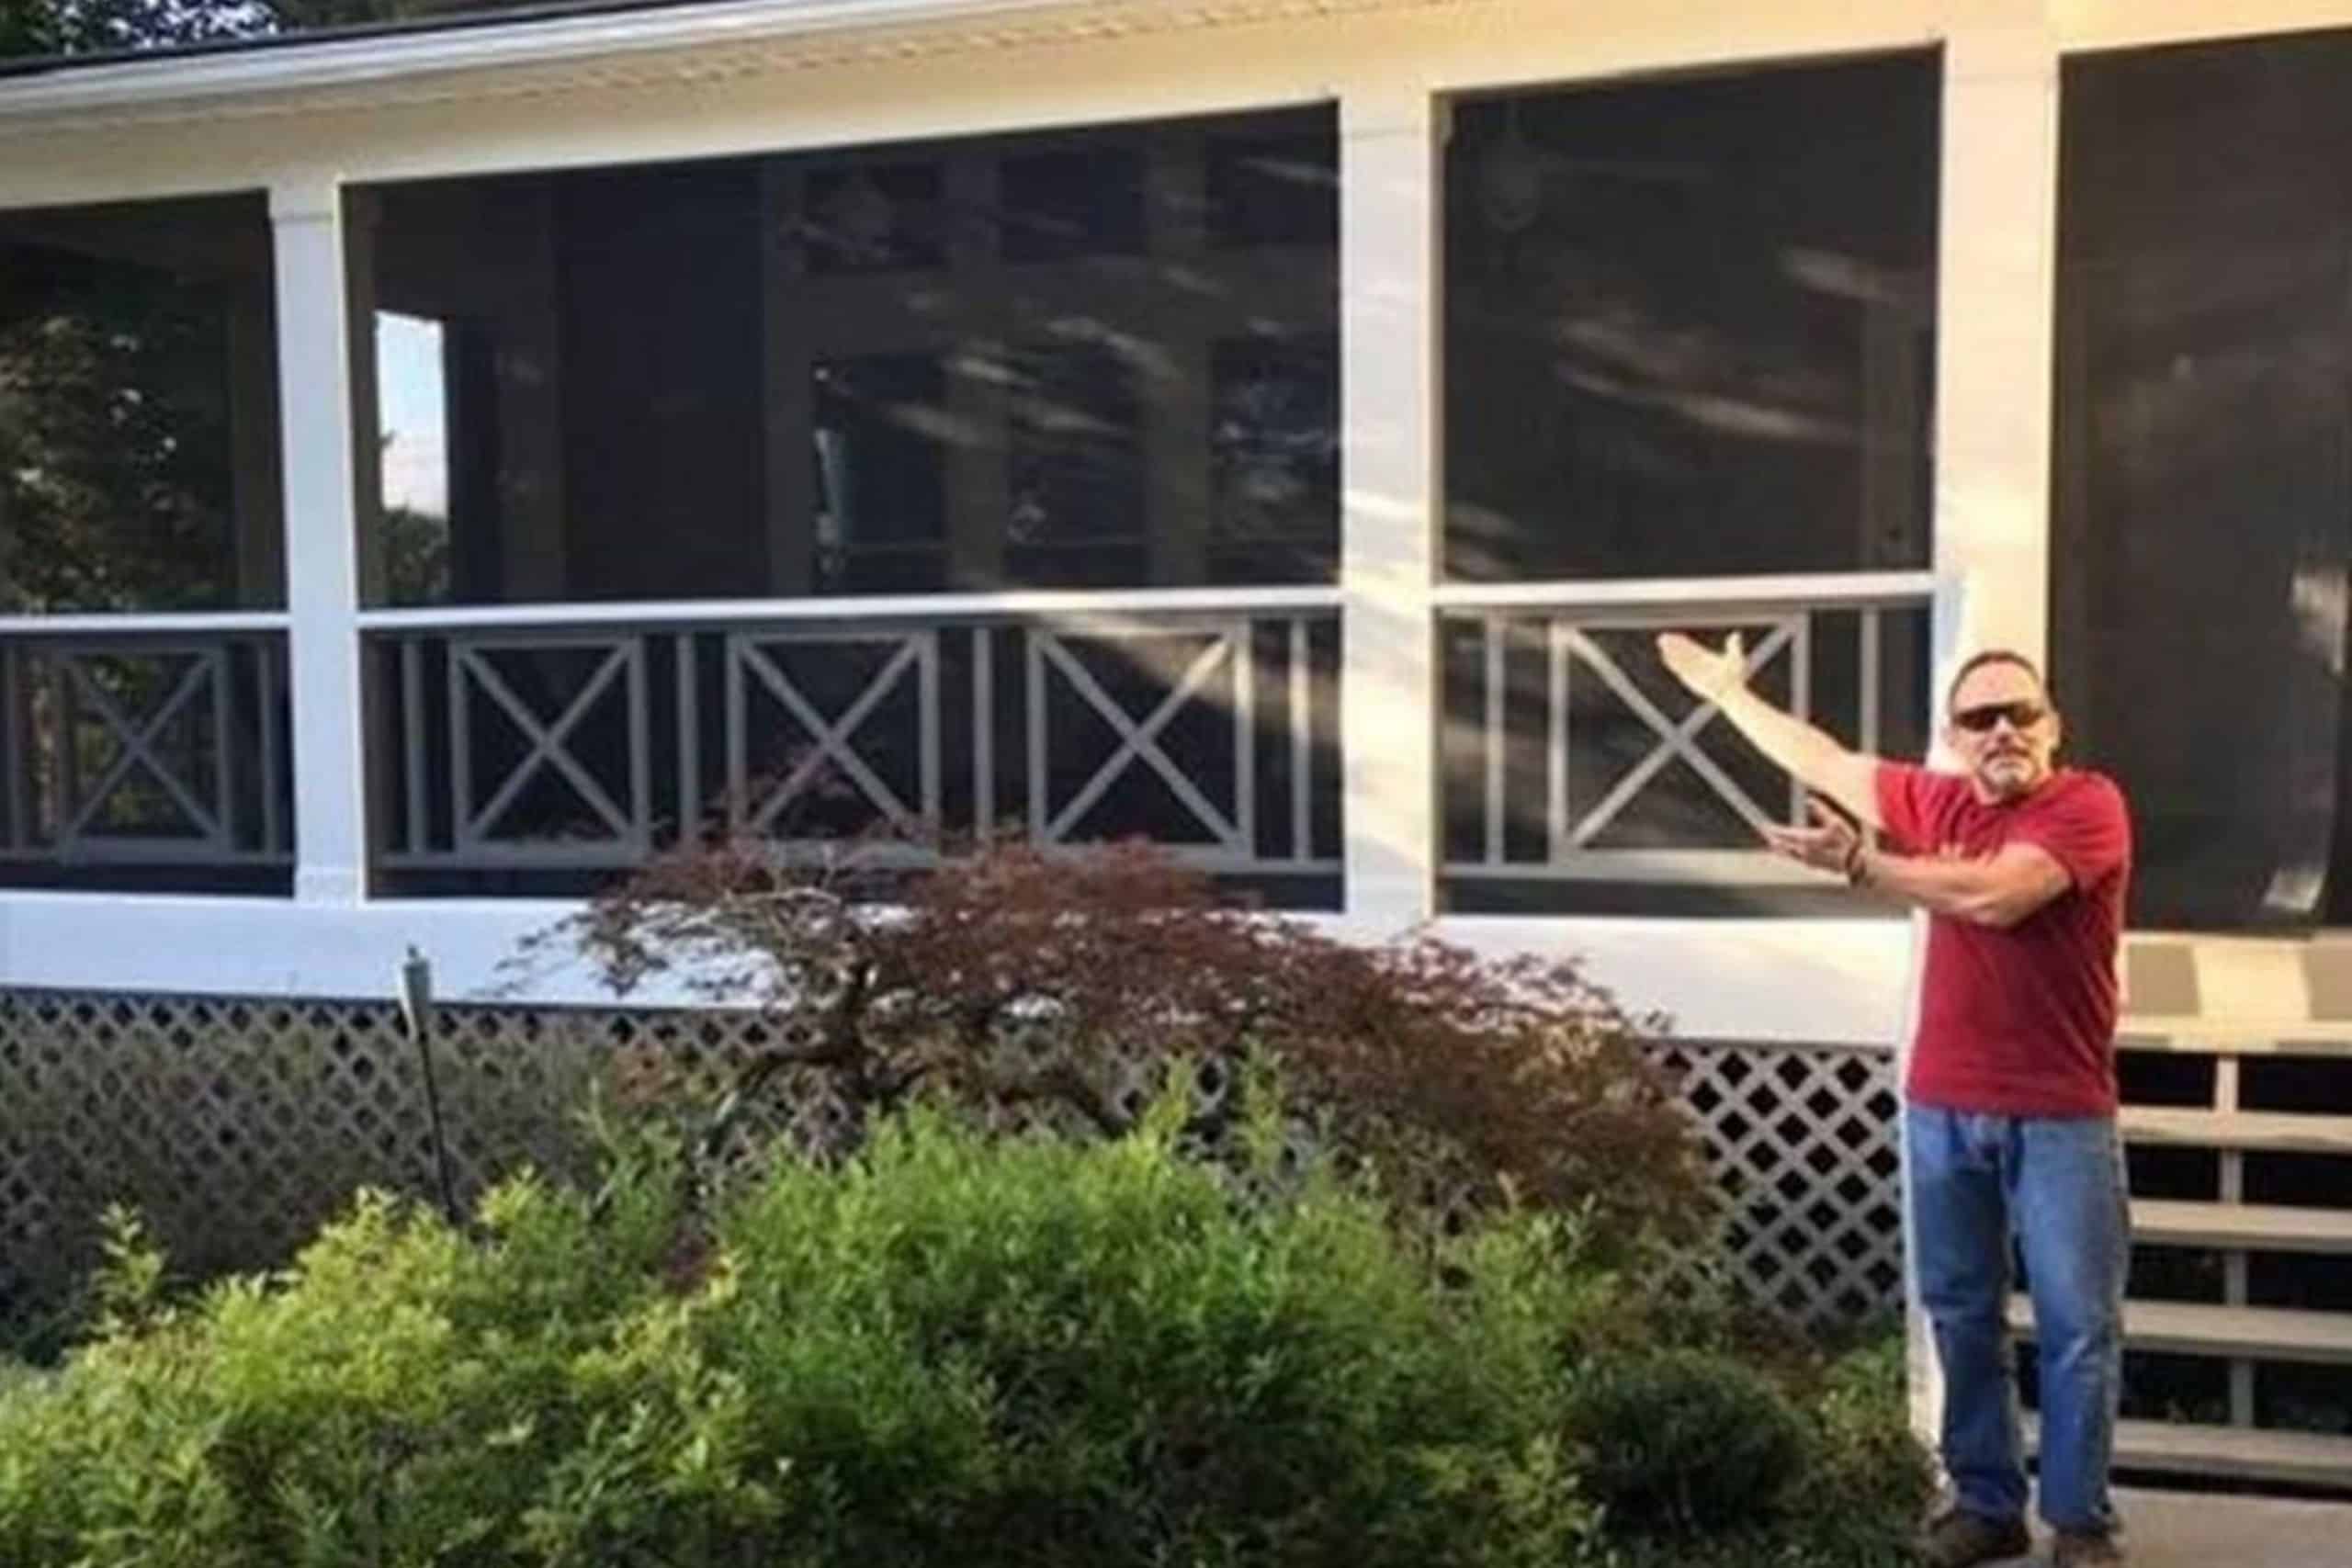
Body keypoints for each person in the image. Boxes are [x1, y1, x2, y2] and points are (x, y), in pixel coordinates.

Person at [1657, 633, 2132, 1568]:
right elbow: (1822, 759)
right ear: (1953, 738)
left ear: (2051, 726)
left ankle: (2078, 1523)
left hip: (2061, 1112)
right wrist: (1727, 697)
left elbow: (1998, 897)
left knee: (2077, 1325)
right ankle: (1987, 1504)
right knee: (1959, 1309)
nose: (2001, 730)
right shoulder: (1935, 799)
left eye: (2018, 713)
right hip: (1941, 1104)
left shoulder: (2086, 806)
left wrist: (1861, 866)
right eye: (1978, 718)